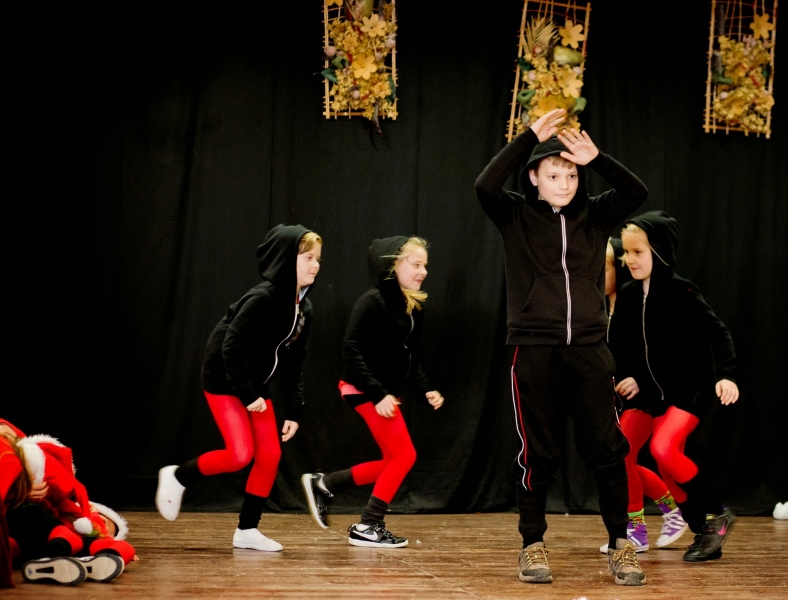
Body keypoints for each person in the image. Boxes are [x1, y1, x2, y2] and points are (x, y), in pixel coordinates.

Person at [474, 108, 648, 586]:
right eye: (553, 175)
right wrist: (528, 137)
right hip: (534, 351)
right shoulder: (515, 214)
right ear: (534, 177)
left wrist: (599, 159)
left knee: (608, 449)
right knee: (538, 454)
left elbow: (636, 192)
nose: (565, 183)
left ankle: (621, 544)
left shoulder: (596, 214)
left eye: (571, 175)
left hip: (589, 350)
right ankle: (532, 544)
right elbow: (484, 186)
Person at [155, 224, 321, 552]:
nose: (316, 265)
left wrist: (294, 409)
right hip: (224, 380)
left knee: (270, 455)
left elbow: (293, 361)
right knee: (240, 454)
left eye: (318, 258)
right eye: (308, 258)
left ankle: (247, 529)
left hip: (254, 385)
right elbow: (229, 346)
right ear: (286, 260)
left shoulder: (304, 309)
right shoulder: (263, 298)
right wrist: (247, 394)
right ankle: (177, 476)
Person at [612, 211, 739, 562]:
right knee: (622, 450)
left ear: (660, 252)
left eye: (638, 252)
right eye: (626, 252)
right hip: (650, 395)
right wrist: (628, 375)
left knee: (664, 449)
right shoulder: (628, 294)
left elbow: (718, 332)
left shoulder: (682, 291)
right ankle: (702, 528)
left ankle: (718, 513)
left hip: (688, 390)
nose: (629, 259)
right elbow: (621, 346)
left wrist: (727, 374)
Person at [301, 236, 444, 549]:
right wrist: (378, 394)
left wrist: (426, 389)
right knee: (405, 456)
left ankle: (326, 484)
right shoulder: (372, 301)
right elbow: (350, 350)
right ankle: (368, 525)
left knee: (393, 460)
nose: (423, 271)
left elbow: (411, 358)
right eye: (416, 264)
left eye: (425, 265)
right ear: (393, 265)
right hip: (361, 388)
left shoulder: (413, 307)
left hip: (383, 392)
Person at [600, 237, 690, 553]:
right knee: (619, 461)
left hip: (648, 397)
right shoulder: (604, 308)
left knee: (622, 454)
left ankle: (636, 529)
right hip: (617, 398)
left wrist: (638, 378)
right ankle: (672, 510)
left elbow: (659, 349)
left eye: (603, 269)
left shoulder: (638, 302)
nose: (596, 275)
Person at [1, 419, 134, 585]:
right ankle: (55, 560)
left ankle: (85, 562)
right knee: (17, 543)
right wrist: (17, 492)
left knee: (123, 547)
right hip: (31, 532)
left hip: (45, 537)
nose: (5, 438)